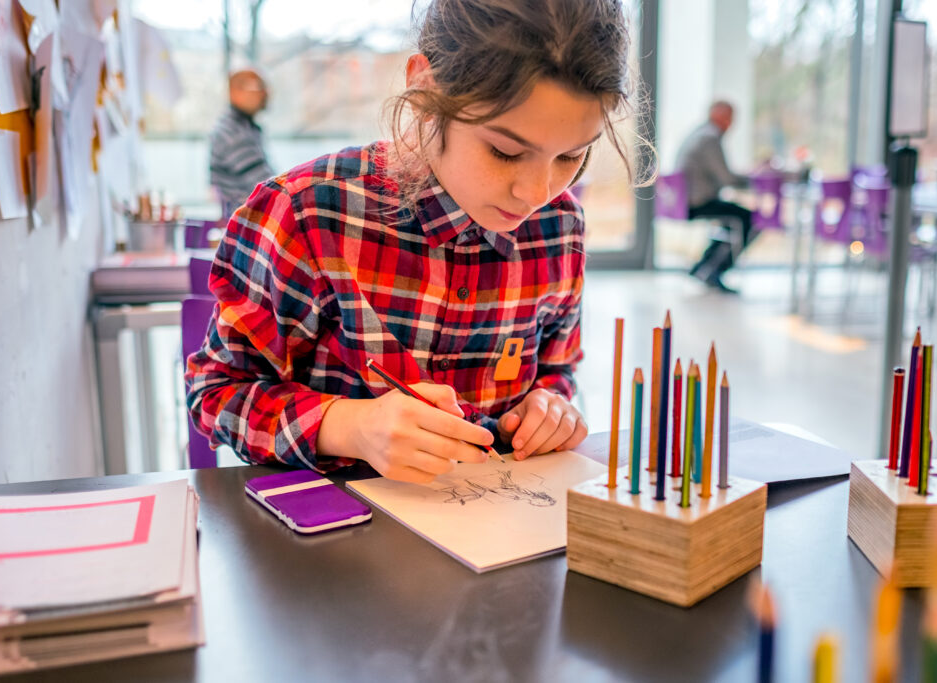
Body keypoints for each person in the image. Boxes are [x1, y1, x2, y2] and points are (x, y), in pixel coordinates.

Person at [186, 0, 645, 484]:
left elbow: (556, 373)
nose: (537, 193)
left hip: (503, 528)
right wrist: (350, 427)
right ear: (424, 89)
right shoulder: (309, 213)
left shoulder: (560, 227)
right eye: (505, 151)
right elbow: (216, 392)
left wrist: (550, 409)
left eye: (572, 156)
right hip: (336, 536)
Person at [677, 101, 753, 294]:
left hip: (685, 202)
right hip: (698, 203)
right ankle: (716, 271)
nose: (732, 124)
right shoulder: (710, 138)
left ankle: (703, 266)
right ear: (721, 117)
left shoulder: (698, 133)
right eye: (730, 118)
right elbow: (727, 178)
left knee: (731, 216)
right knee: (747, 217)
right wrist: (755, 178)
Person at [208, 68, 275, 219]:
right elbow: (268, 187)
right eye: (259, 87)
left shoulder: (242, 127)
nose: (266, 93)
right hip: (245, 224)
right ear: (235, 92)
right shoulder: (234, 134)